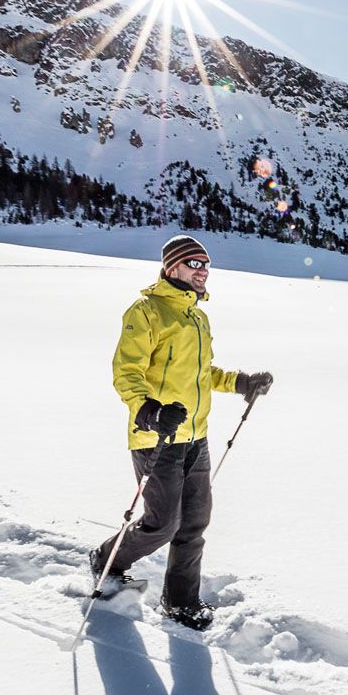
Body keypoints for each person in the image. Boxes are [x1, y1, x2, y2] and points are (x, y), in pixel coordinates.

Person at [90, 235, 273, 630]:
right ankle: (107, 559)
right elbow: (127, 372)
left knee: (194, 522)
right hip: (156, 437)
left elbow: (202, 374)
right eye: (193, 263)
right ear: (172, 267)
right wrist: (150, 411)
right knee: (162, 524)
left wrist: (242, 382)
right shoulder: (147, 311)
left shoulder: (197, 317)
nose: (202, 270)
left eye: (206, 263)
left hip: (196, 437)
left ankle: (180, 601)